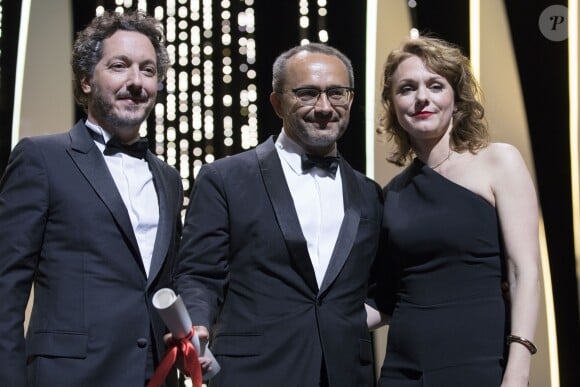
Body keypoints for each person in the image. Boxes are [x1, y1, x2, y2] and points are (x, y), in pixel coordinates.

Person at [174, 43, 383, 387]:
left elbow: (379, 287)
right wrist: (196, 328)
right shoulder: (224, 178)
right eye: (307, 93)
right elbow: (199, 274)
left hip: (347, 374)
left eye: (336, 93)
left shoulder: (369, 194)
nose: (324, 107)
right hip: (252, 374)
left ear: (351, 99)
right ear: (277, 102)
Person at [0, 11, 184, 387]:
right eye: (119, 66)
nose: (136, 82)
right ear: (85, 80)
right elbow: (5, 288)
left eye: (148, 70)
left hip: (154, 376)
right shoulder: (41, 158)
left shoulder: (168, 178)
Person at [368, 36, 540, 386]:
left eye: (435, 85)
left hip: (478, 364)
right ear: (392, 105)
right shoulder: (391, 195)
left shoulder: (498, 161)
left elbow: (524, 271)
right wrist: (301, 318)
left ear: (456, 99)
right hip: (402, 371)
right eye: (407, 88)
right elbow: (384, 299)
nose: (422, 98)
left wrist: (519, 367)